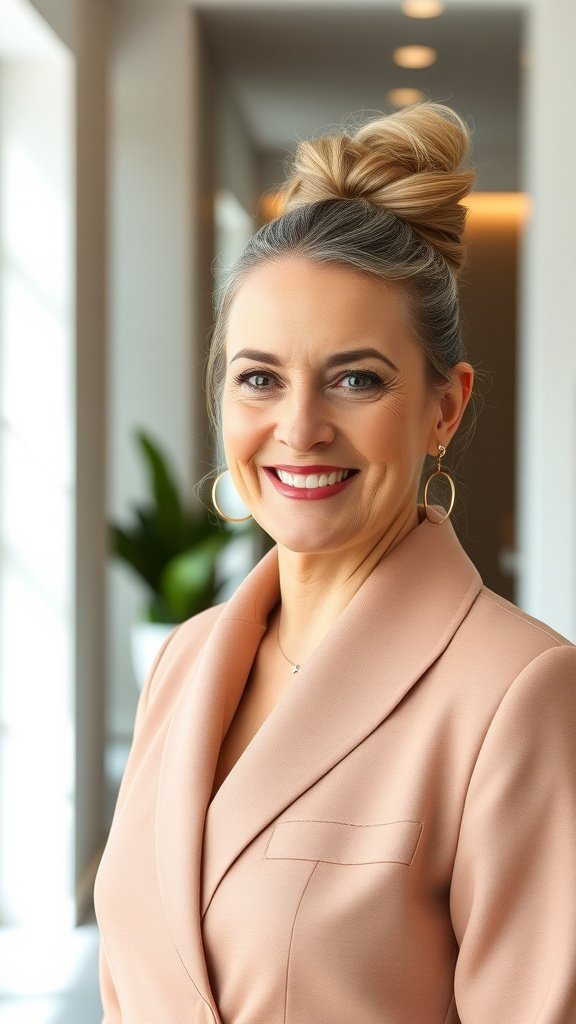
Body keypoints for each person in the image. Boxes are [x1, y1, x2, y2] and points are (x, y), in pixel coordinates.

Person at [94, 103, 576, 1024]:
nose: (300, 428)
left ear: (445, 407)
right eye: (260, 377)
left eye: (357, 379)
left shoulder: (519, 694)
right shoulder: (184, 662)